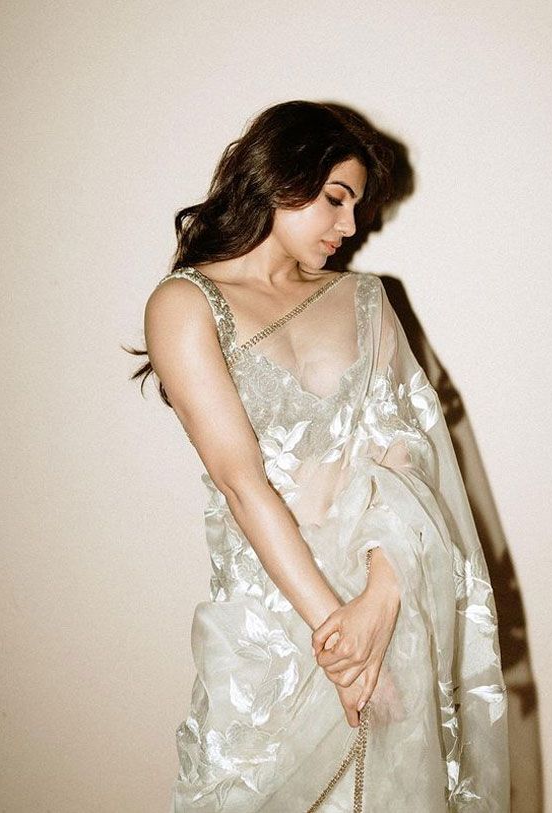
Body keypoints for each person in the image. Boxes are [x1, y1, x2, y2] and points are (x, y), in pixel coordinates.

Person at [127, 100, 510, 812]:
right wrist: (340, 643)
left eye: (356, 206)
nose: (350, 225)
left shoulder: (366, 299)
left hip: (387, 599)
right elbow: (242, 485)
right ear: (278, 176)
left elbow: (405, 455)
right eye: (336, 198)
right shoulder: (186, 303)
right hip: (270, 626)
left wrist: (379, 604)